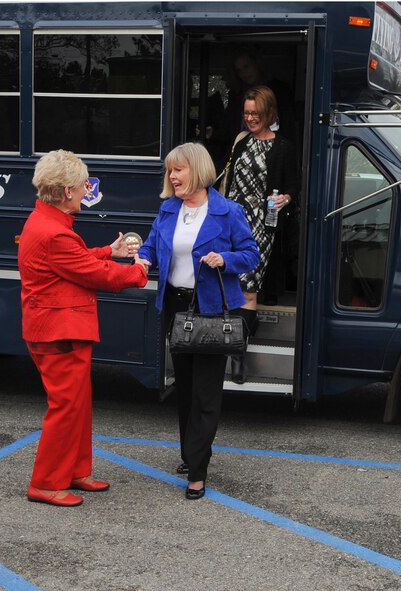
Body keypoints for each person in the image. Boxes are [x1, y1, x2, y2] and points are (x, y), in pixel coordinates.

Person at [18, 149, 148, 507]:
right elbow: (93, 275)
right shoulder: (55, 233)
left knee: (77, 404)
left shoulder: (48, 224)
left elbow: (74, 262)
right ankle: (45, 483)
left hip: (59, 327)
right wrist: (138, 271)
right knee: (65, 406)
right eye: (81, 186)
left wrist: (108, 250)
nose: (85, 191)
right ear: (64, 193)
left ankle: (74, 472)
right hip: (58, 331)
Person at [135, 142, 259, 500]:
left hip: (212, 309)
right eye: (170, 170)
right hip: (177, 307)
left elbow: (251, 254)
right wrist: (142, 260)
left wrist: (225, 259)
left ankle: (198, 471)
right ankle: (191, 454)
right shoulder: (168, 210)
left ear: (199, 170)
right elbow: (151, 246)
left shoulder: (227, 211)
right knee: (185, 388)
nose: (172, 176)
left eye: (178, 169)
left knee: (205, 392)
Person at [218, 85, 299, 382]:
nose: (251, 118)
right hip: (232, 222)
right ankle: (243, 330)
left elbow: (294, 186)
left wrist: (285, 198)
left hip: (262, 226)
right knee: (230, 285)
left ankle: (238, 358)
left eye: (256, 113)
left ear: (269, 113)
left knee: (247, 288)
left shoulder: (284, 147)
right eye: (247, 112)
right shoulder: (240, 141)